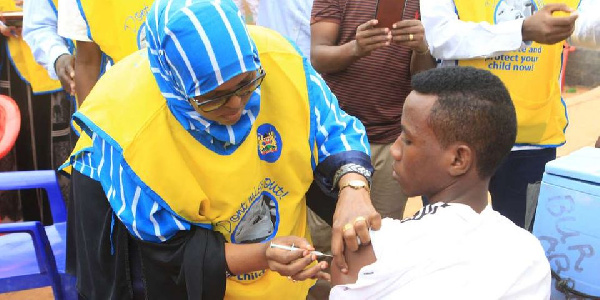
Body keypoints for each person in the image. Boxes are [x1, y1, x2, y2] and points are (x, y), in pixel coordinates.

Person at [64, 0, 380, 298]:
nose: (236, 105)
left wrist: (354, 189)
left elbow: (334, 129)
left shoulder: (279, 61)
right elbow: (170, 252)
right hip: (157, 241)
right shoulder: (129, 136)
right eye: (213, 98)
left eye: (246, 84)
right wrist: (264, 254)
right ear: (177, 90)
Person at [329, 66, 551, 299]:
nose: (395, 150)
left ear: (458, 159)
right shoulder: (529, 256)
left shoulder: (372, 249)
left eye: (407, 139)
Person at [421, 0, 595, 228]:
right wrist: (521, 30)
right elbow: (439, 37)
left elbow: (586, 24)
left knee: (522, 243)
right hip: (460, 137)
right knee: (449, 239)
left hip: (531, 142)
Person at [310, 0, 435, 265]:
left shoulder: (425, 3)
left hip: (390, 140)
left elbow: (422, 77)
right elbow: (318, 56)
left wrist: (422, 47)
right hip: (335, 139)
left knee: (379, 242)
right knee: (322, 244)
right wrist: (356, 48)